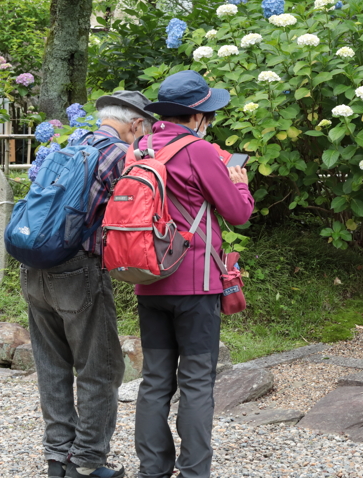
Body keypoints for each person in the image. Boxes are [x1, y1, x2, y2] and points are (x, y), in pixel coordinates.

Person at [23, 91, 156, 478]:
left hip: (33, 263)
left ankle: (57, 457)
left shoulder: (67, 144)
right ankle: (86, 462)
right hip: (78, 268)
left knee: (52, 365)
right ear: (135, 124)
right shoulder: (119, 153)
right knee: (101, 367)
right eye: (142, 129)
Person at [134, 70, 254, 478]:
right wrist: (240, 183)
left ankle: (152, 470)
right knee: (197, 382)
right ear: (196, 115)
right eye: (209, 114)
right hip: (197, 284)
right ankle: (194, 472)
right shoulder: (198, 150)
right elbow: (238, 215)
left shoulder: (139, 147)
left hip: (148, 279)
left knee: (154, 381)